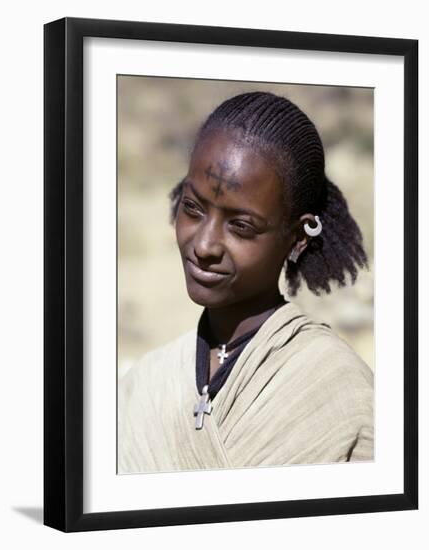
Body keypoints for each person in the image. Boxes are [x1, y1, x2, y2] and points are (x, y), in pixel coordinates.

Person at [118, 91, 373, 474]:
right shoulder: (145, 383)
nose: (203, 245)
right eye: (192, 208)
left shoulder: (337, 387)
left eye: (241, 226)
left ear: (298, 237)